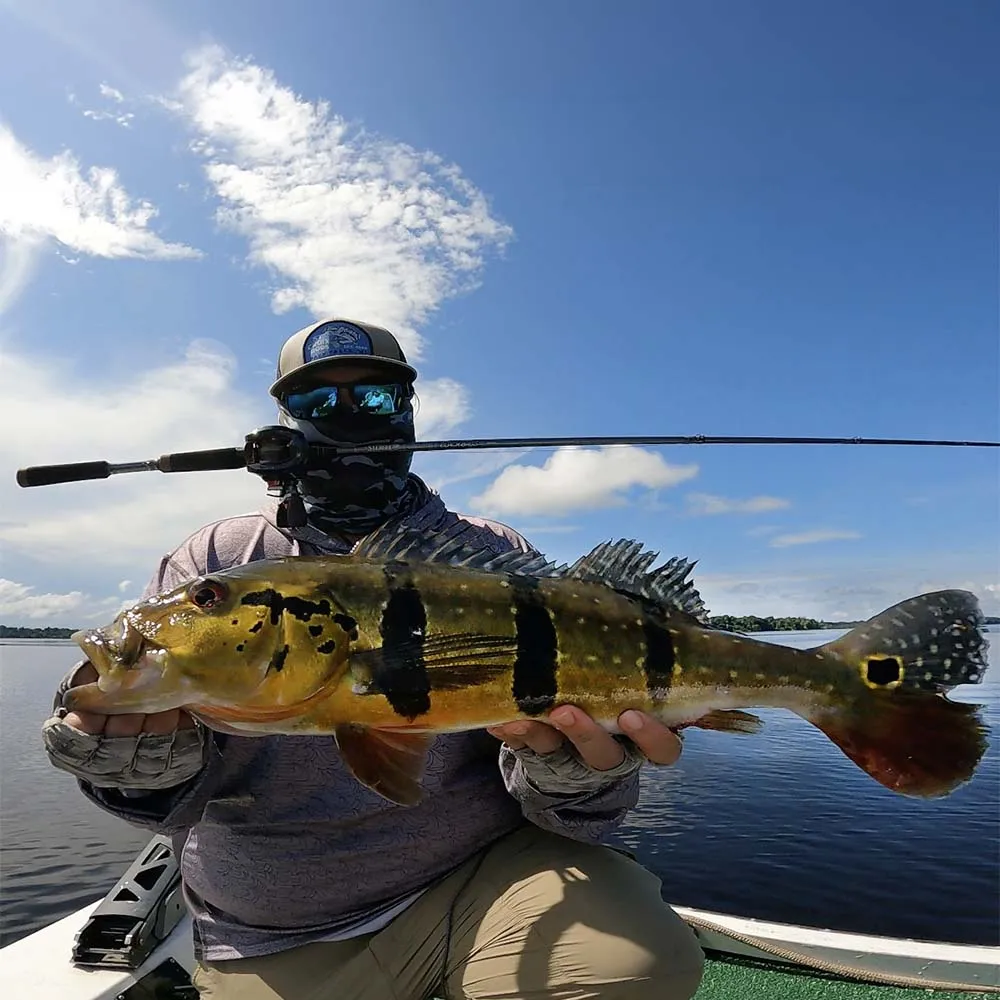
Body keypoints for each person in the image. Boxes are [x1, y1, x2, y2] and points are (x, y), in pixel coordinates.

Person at [42, 318, 705, 1000]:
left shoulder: (493, 551)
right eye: (315, 403)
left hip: (488, 877)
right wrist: (137, 777)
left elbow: (565, 806)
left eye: (378, 398)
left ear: (409, 414)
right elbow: (168, 797)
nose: (347, 416)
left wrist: (575, 779)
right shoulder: (217, 558)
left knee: (638, 968)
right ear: (283, 424)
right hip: (279, 928)